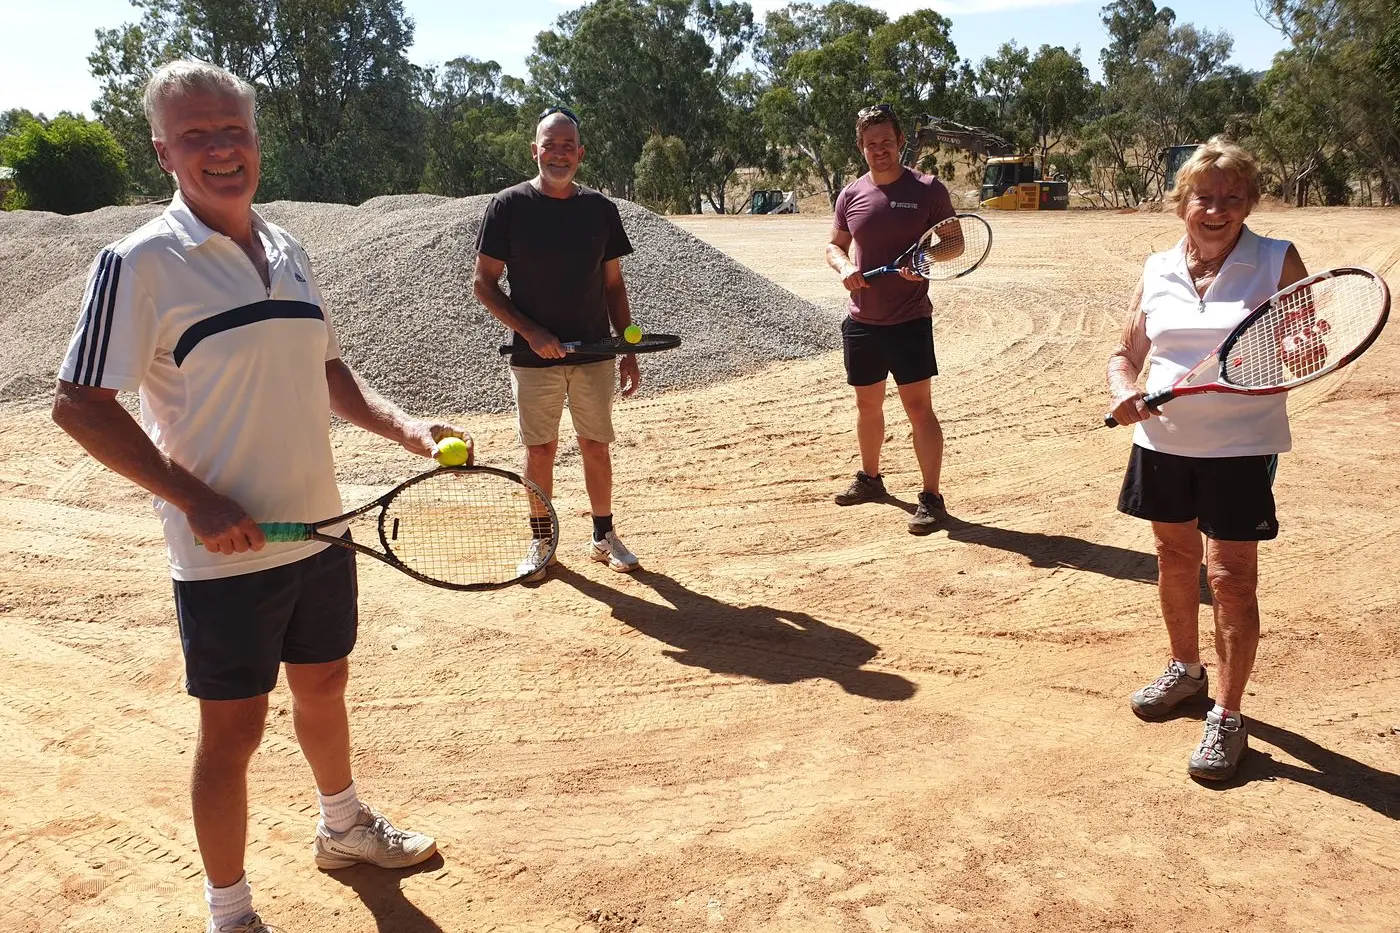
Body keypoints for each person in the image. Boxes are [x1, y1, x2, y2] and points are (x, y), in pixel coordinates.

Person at [51, 61, 467, 933]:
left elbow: (324, 368)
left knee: (326, 681)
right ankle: (229, 911)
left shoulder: (287, 248)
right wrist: (194, 499)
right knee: (233, 733)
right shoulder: (138, 262)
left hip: (318, 525)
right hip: (225, 550)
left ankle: (344, 827)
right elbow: (78, 403)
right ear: (162, 150)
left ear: (256, 140)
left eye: (232, 131)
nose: (219, 150)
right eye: (195, 135)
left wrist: (404, 427)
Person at [1106, 136, 1309, 781]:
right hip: (1163, 442)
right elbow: (1126, 355)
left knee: (1229, 578)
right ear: (1181, 204)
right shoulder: (1157, 266)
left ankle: (1227, 713)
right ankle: (1185, 669)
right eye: (1204, 198)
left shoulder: (1276, 260)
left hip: (1239, 447)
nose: (1216, 210)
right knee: (1173, 559)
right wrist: (1126, 393)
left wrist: (1286, 362)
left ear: (1249, 202)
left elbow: (1308, 347)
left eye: (1231, 198)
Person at [473, 105, 641, 580]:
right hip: (533, 357)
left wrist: (627, 348)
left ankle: (603, 535)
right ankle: (542, 540)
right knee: (540, 449)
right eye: (550, 144)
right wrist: (533, 332)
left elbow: (614, 286)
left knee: (595, 444)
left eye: (568, 146)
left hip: (594, 352)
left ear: (581, 153)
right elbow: (483, 284)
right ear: (535, 150)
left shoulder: (600, 210)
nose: (559, 154)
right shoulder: (508, 207)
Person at [825, 103, 957, 535]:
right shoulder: (851, 194)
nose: (879, 149)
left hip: (909, 320)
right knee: (867, 405)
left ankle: (932, 499)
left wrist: (924, 258)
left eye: (886, 141)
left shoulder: (928, 189)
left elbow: (953, 244)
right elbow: (834, 246)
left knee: (919, 409)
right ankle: (870, 478)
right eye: (870, 143)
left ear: (900, 141)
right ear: (861, 147)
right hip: (863, 320)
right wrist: (845, 268)